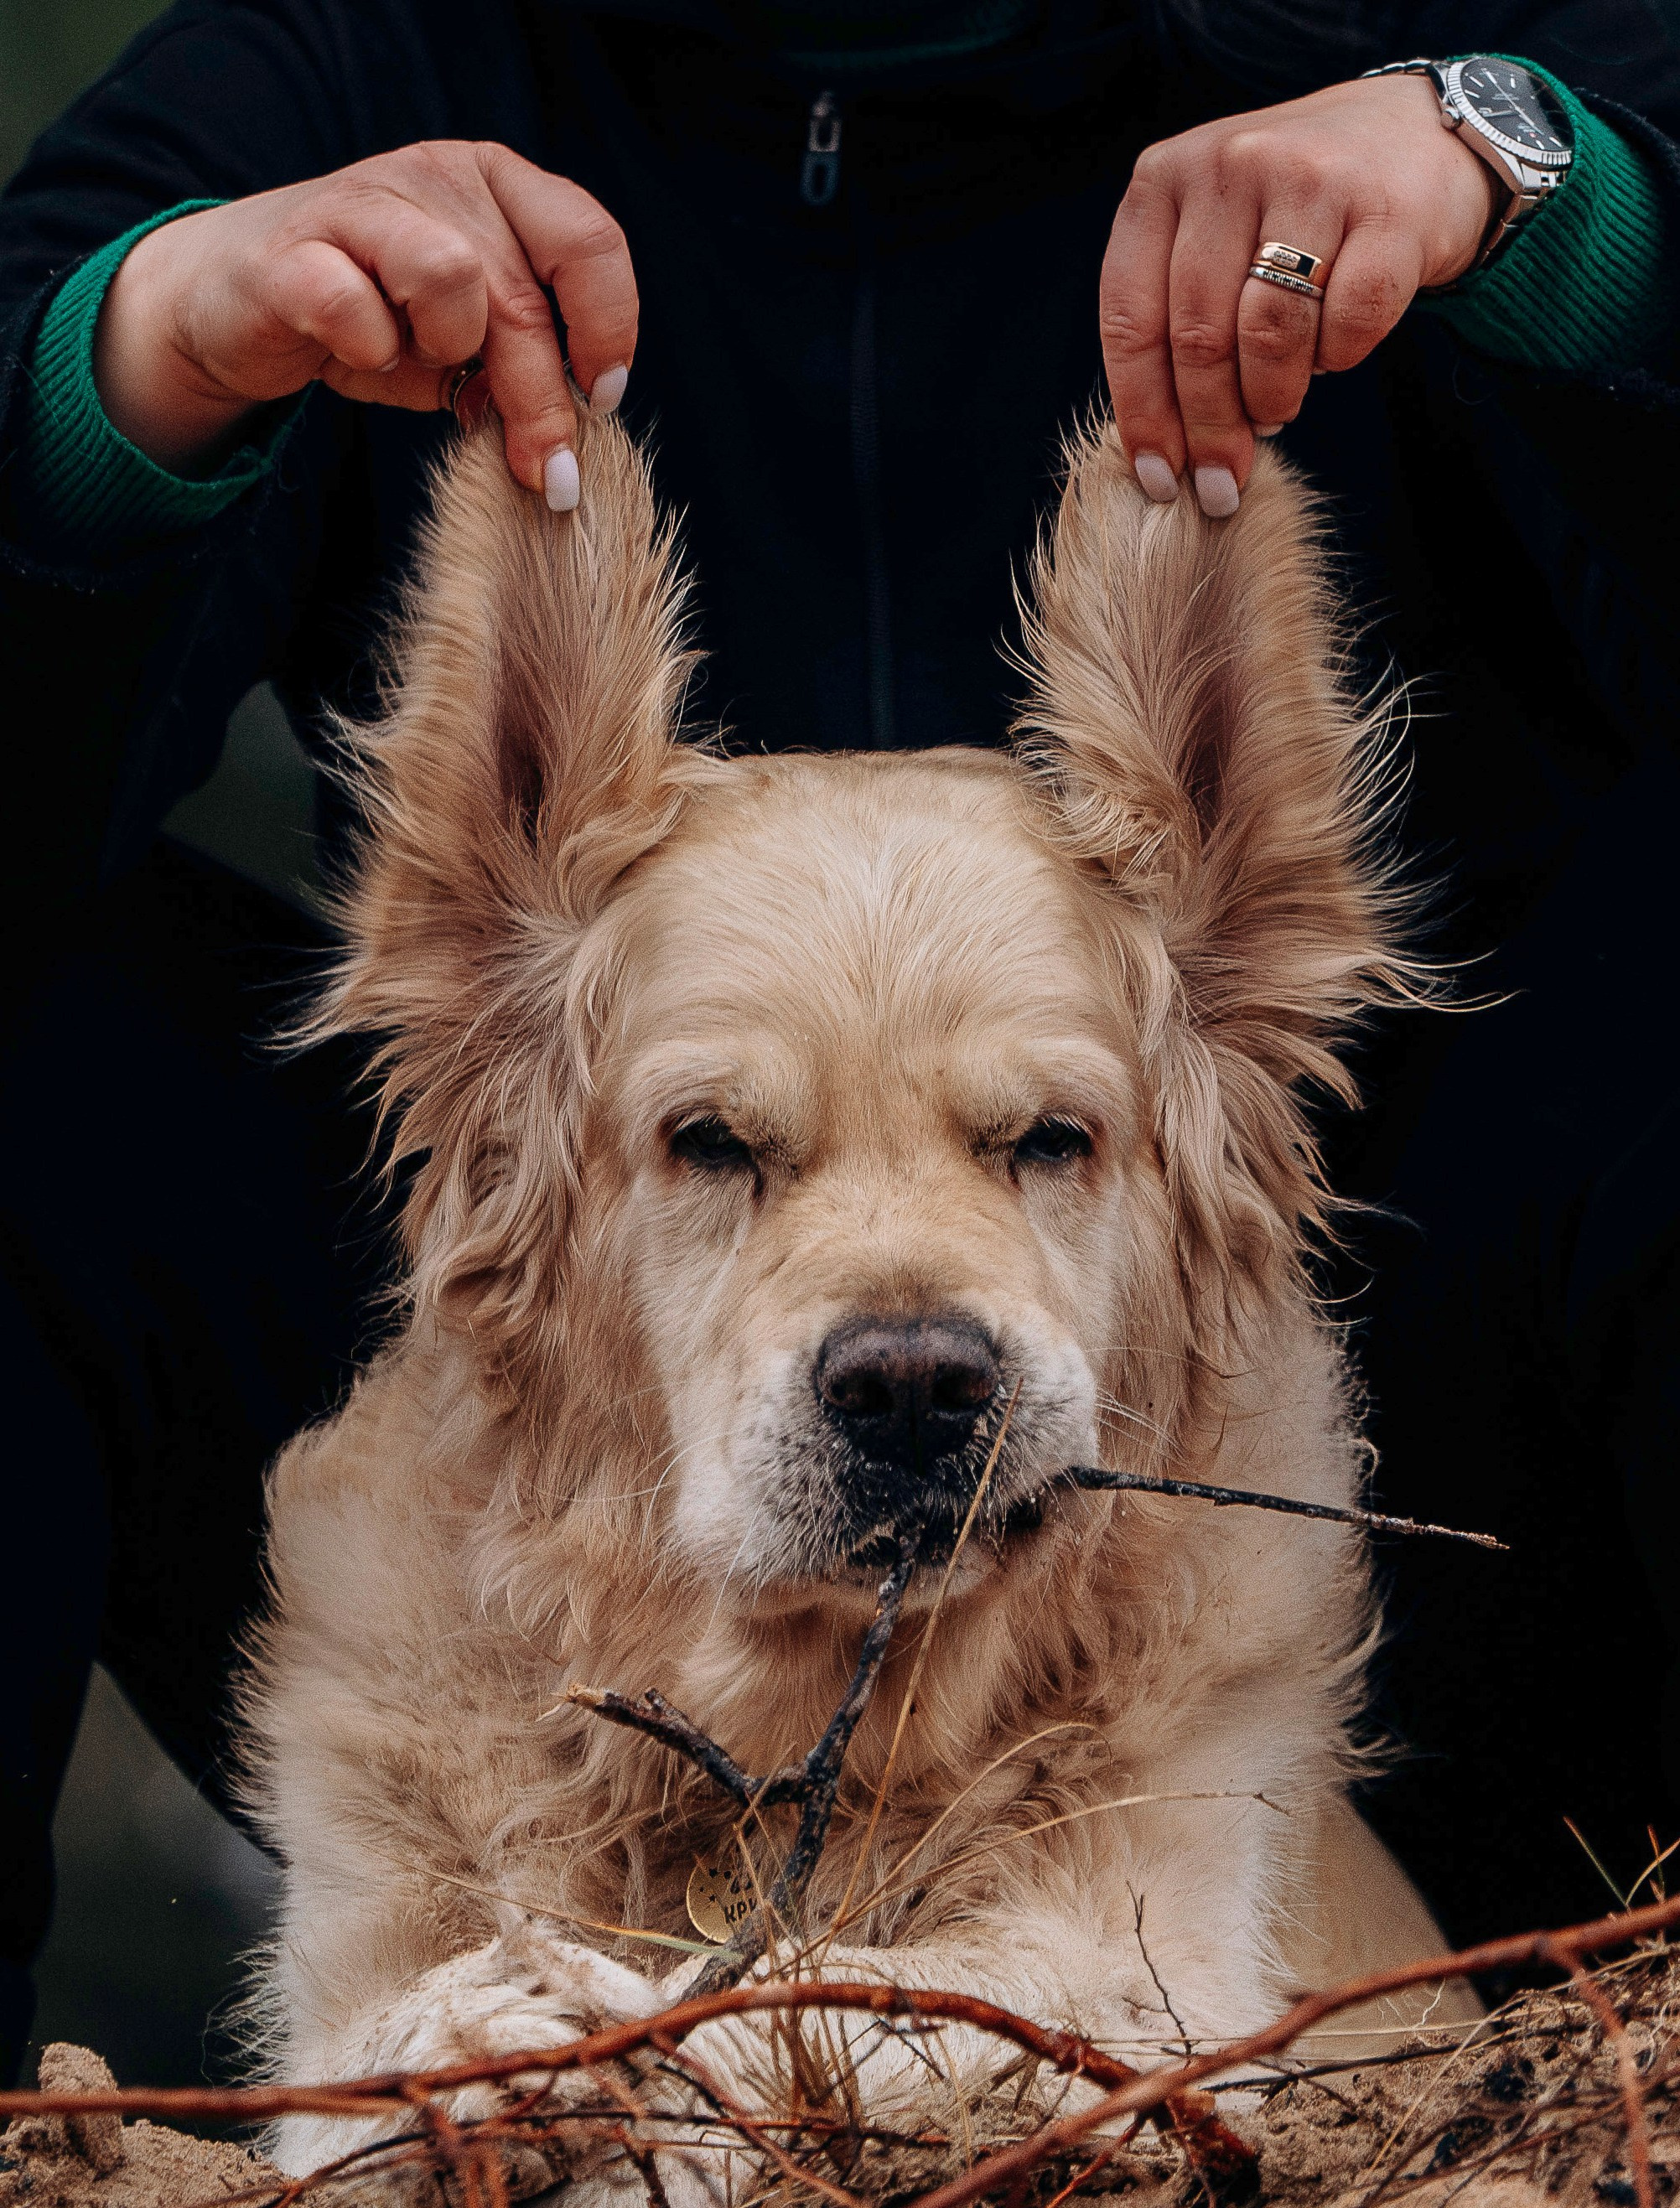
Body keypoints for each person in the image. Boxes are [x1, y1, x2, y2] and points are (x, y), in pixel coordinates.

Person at [1, 0, 1676, 2080]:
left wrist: (1543, 173)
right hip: (558, 1394)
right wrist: (135, 353)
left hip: (1347, 1461)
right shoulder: (357, 61)